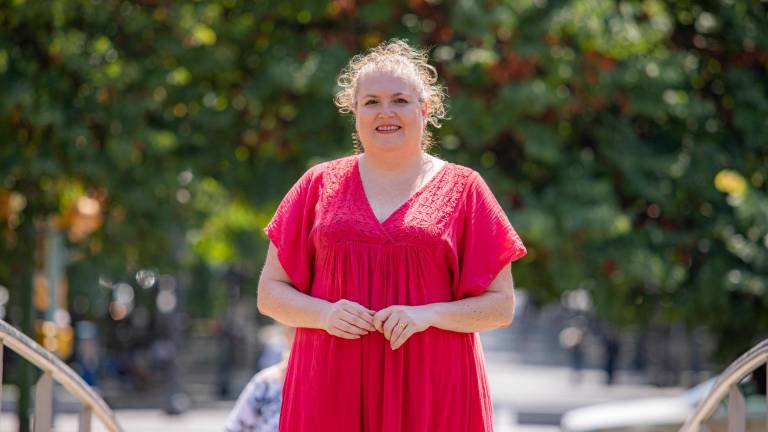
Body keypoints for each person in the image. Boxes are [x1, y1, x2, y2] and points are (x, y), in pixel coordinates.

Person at [257, 39, 527, 432]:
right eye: (371, 102)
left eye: (400, 100)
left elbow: (501, 307)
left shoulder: (465, 188)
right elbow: (270, 294)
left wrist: (429, 315)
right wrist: (325, 313)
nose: (386, 112)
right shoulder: (316, 184)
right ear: (354, 112)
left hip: (434, 391)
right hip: (330, 388)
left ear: (425, 109)